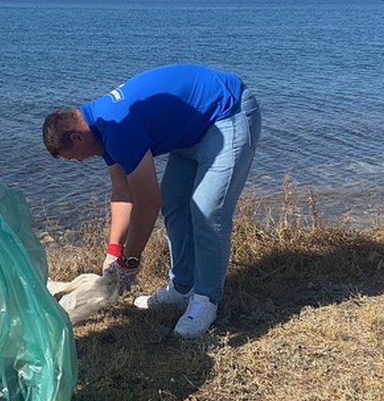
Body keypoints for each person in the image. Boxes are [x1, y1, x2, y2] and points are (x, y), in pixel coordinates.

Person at [43, 64, 262, 339]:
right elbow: (123, 194)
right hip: (191, 130)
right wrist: (115, 251)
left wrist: (131, 260)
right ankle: (181, 288)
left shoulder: (117, 127)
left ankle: (206, 299)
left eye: (73, 156)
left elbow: (147, 201)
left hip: (228, 112)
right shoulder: (100, 129)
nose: (79, 161)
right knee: (175, 204)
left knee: (206, 212)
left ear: (76, 137)